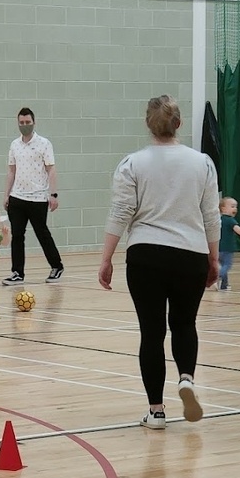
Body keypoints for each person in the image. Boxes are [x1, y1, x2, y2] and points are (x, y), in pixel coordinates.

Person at [98, 95, 220, 430]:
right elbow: (212, 216)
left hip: (146, 255)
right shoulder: (202, 163)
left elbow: (120, 213)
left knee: (151, 333)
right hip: (190, 254)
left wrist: (106, 258)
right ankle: (187, 378)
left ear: (148, 124)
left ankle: (156, 411)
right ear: (178, 124)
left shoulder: (132, 164)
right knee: (185, 324)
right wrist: (213, 257)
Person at [2, 107, 63, 286]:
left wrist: (53, 194)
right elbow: (11, 171)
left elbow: (51, 169)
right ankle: (17, 273)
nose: (24, 125)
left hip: (37, 198)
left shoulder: (44, 143)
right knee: (18, 236)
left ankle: (57, 266)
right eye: (21, 123)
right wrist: (6, 195)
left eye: (27, 122)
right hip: (17, 197)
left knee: (42, 233)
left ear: (33, 123)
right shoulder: (14, 145)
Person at [218, 197, 240, 291]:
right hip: (227, 248)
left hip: (218, 248)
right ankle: (218, 275)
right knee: (227, 265)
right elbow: (237, 229)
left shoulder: (219, 219)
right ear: (223, 208)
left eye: (236, 207)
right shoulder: (230, 220)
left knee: (222, 265)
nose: (235, 209)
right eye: (232, 206)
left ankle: (224, 285)